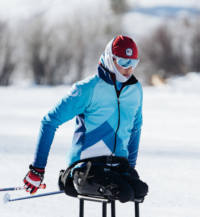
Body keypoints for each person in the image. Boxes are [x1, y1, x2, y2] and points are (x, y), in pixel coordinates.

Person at [23, 35, 148, 203]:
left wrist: (130, 167)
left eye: (133, 63)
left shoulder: (135, 90)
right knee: (124, 192)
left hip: (117, 166)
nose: (129, 69)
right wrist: (37, 169)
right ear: (111, 59)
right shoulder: (87, 88)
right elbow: (49, 121)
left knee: (139, 190)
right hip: (87, 167)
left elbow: (135, 128)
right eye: (124, 62)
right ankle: (67, 178)